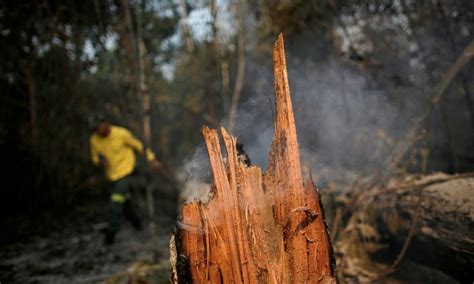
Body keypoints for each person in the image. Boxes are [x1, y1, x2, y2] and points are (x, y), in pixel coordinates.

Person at [88, 114, 161, 245]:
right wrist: (99, 161)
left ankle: (111, 234)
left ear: (105, 123)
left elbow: (139, 146)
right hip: (111, 175)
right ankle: (137, 223)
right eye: (95, 129)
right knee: (125, 202)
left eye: (98, 127)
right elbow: (94, 158)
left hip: (127, 172)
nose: (97, 131)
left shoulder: (121, 133)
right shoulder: (94, 139)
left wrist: (152, 159)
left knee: (116, 201)